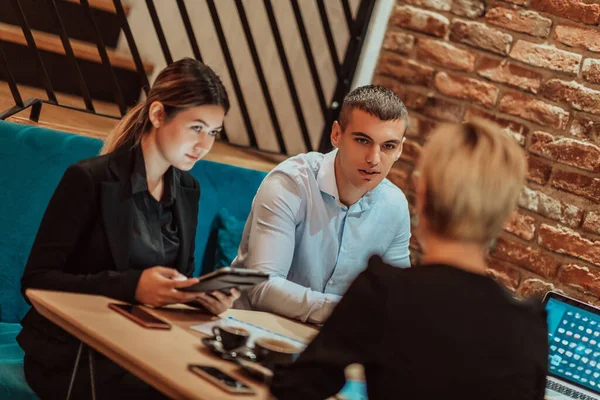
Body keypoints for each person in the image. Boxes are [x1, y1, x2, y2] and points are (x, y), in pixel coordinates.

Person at [270, 120, 549, 400]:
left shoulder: (383, 291)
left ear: (423, 196)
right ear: (505, 215)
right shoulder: (530, 326)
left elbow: (296, 390)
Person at [18, 58, 240, 400]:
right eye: (196, 127)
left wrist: (199, 297)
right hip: (75, 350)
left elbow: (178, 277)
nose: (205, 145)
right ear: (157, 115)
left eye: (213, 132)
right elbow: (37, 280)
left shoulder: (188, 190)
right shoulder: (90, 178)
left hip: (142, 346)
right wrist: (133, 286)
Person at [231, 85, 412, 325]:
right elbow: (263, 286)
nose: (374, 159)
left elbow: (395, 297)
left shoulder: (395, 206)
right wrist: (344, 312)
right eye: (362, 140)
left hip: (330, 347)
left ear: (400, 149)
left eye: (388, 146)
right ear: (336, 134)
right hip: (251, 332)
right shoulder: (290, 184)